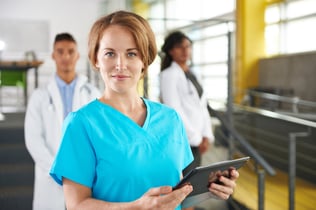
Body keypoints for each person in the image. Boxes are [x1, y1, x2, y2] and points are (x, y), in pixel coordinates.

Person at [49, 10, 239, 210]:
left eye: (131, 54)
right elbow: (76, 205)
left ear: (144, 60)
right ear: (96, 59)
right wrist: (136, 207)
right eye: (110, 53)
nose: (120, 64)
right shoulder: (81, 124)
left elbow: (178, 196)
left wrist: (211, 189)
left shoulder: (170, 119)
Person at [24, 32, 101, 210]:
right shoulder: (39, 96)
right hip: (51, 175)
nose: (65, 56)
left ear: (78, 55)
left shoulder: (93, 94)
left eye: (70, 51)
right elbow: (33, 140)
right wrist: (57, 169)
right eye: (60, 51)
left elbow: (98, 136)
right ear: (53, 55)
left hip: (85, 173)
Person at [159, 31, 215, 210]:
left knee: (193, 188)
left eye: (188, 46)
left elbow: (202, 107)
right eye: (179, 47)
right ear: (170, 51)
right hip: (183, 140)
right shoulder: (168, 75)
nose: (185, 50)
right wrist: (196, 137)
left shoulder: (193, 74)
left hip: (197, 140)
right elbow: (174, 110)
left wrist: (206, 135)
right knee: (185, 188)